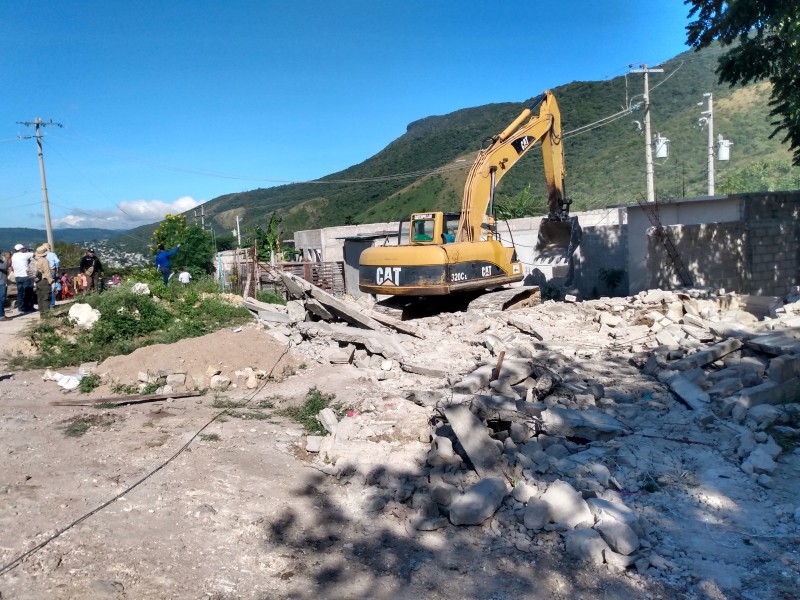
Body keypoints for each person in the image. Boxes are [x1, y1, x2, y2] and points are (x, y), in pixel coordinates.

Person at [11, 244, 34, 313]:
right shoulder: (25, 255)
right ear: (21, 249)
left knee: (20, 293)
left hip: (17, 276)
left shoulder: (13, 256)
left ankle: (20, 308)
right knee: (28, 292)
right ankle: (28, 307)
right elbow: (34, 254)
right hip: (25, 276)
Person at [33, 245, 54, 316]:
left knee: (40, 298)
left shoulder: (34, 259)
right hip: (44, 280)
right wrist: (51, 281)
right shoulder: (44, 260)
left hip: (37, 280)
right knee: (46, 297)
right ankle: (46, 315)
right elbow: (47, 272)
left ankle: (42, 314)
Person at [45, 243, 60, 308]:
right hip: (52, 271)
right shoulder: (52, 254)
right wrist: (57, 268)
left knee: (45, 288)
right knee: (52, 287)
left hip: (44, 272)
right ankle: (52, 304)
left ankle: (46, 304)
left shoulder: (42, 256)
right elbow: (57, 261)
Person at [0, 250, 9, 321]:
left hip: (2, 281)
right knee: (1, 299)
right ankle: (1, 315)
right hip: (1, 282)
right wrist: (6, 258)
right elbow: (4, 267)